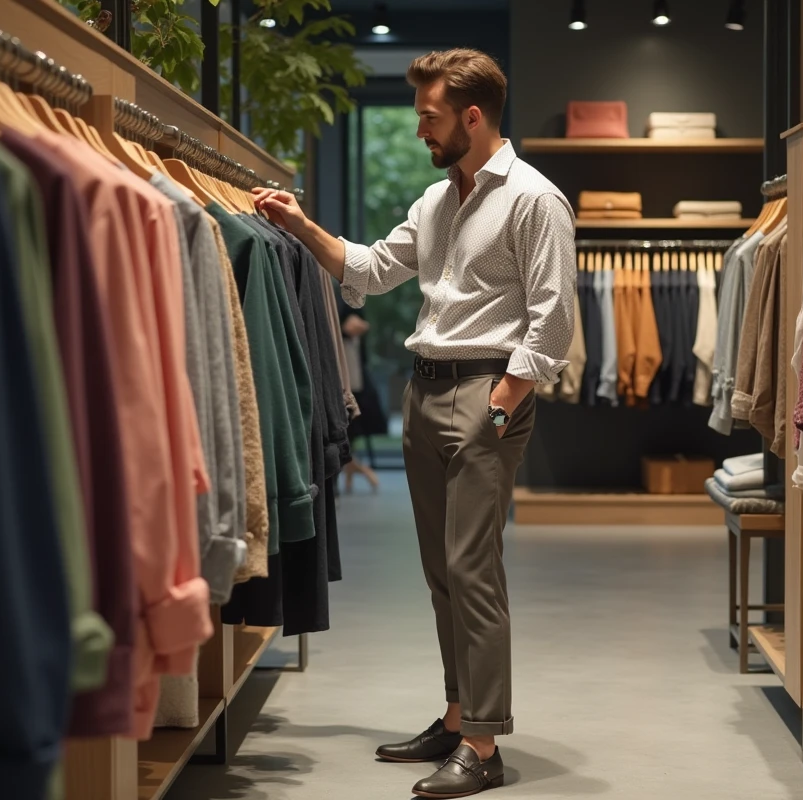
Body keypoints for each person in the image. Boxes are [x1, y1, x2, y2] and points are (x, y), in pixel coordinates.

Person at [252, 47, 576, 799]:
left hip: (486, 397)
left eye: (429, 119)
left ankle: (486, 746)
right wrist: (300, 225)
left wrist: (501, 403)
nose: (422, 132)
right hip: (425, 395)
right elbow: (366, 271)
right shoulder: (436, 204)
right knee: (441, 574)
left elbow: (553, 321)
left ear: (472, 116)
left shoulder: (534, 199)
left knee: (473, 572)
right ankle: (458, 716)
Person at [338, 297, 386, 493]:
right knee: (347, 430)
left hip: (354, 376)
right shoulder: (338, 298)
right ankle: (358, 469)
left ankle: (352, 471)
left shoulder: (352, 299)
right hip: (344, 375)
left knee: (352, 430)